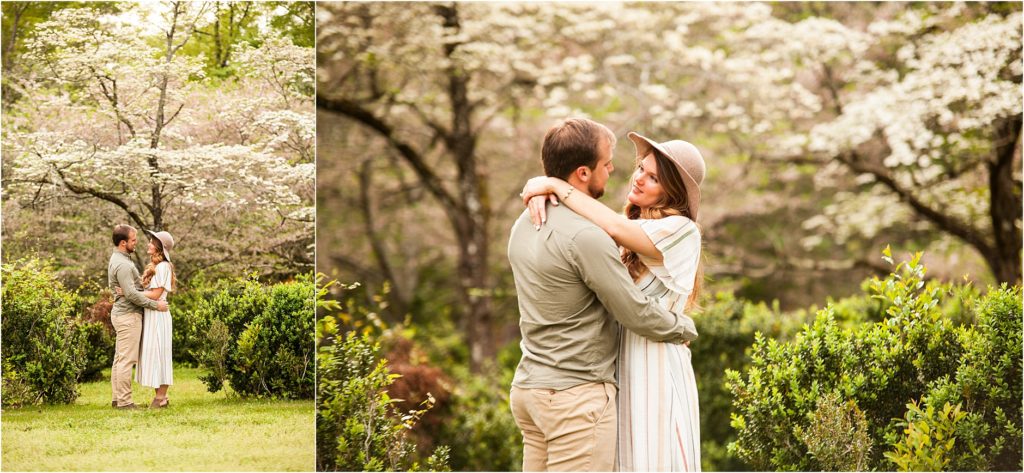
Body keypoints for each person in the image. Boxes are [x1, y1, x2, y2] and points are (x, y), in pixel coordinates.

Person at [507, 118, 698, 472]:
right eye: (607, 163)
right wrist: (684, 327)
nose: (618, 171)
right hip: (574, 396)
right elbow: (635, 312)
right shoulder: (588, 235)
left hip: (531, 387)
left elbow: (613, 226)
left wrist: (546, 184)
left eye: (651, 175)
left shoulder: (525, 223)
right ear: (583, 172)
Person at [107, 224, 168, 409]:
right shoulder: (123, 264)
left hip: (122, 314)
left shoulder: (119, 259)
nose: (137, 243)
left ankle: (117, 399)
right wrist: (155, 305)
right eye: (133, 240)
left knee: (120, 359)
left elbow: (132, 291)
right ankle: (125, 402)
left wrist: (130, 291)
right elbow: (132, 295)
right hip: (128, 316)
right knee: (126, 360)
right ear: (124, 242)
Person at [123, 230, 177, 408]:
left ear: (160, 247)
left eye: (152, 242)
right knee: (154, 355)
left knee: (160, 355)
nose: (148, 244)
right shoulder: (157, 265)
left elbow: (156, 294)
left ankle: (160, 398)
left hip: (159, 315)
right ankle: (162, 397)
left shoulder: (163, 267)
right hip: (152, 314)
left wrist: (129, 293)